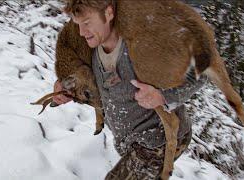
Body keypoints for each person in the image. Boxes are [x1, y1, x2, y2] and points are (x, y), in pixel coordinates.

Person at [52, 0, 207, 179]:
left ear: (109, 13)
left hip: (159, 139)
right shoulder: (91, 47)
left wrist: (163, 96)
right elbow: (95, 86)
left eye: (86, 23)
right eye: (77, 24)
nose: (81, 32)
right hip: (129, 144)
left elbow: (202, 67)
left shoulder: (144, 41)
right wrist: (67, 89)